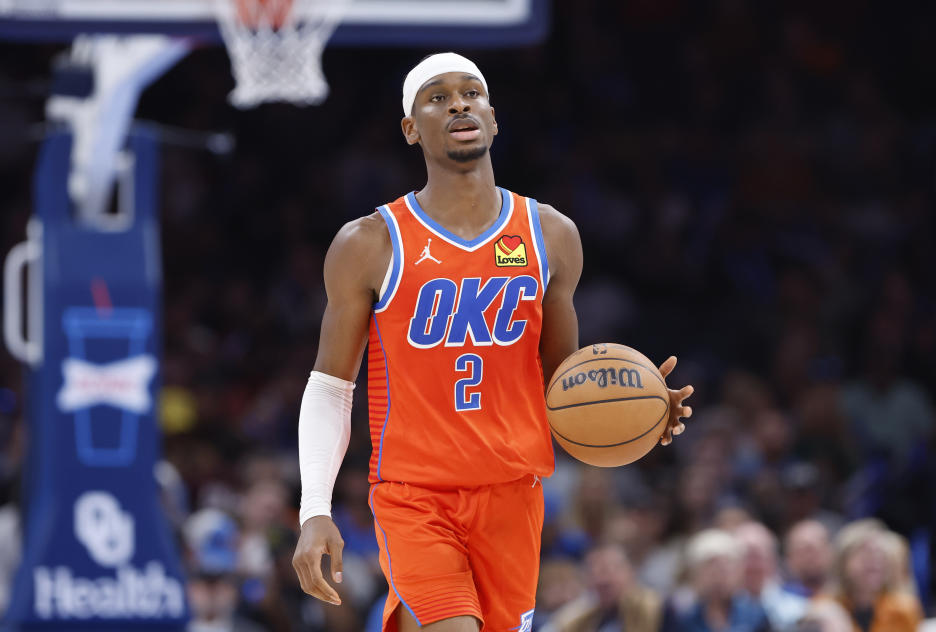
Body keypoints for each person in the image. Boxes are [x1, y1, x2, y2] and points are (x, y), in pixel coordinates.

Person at [289, 52, 694, 632]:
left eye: (472, 92)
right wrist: (314, 509)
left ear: (493, 118)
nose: (458, 103)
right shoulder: (370, 242)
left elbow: (564, 388)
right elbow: (331, 387)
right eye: (437, 96)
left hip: (514, 495)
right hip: (415, 496)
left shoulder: (551, 235)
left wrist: (642, 406)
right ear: (411, 128)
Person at [540, 543, 669, 632]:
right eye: (594, 573)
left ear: (630, 572)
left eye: (609, 571)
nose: (602, 580)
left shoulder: (658, 609)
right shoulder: (581, 617)